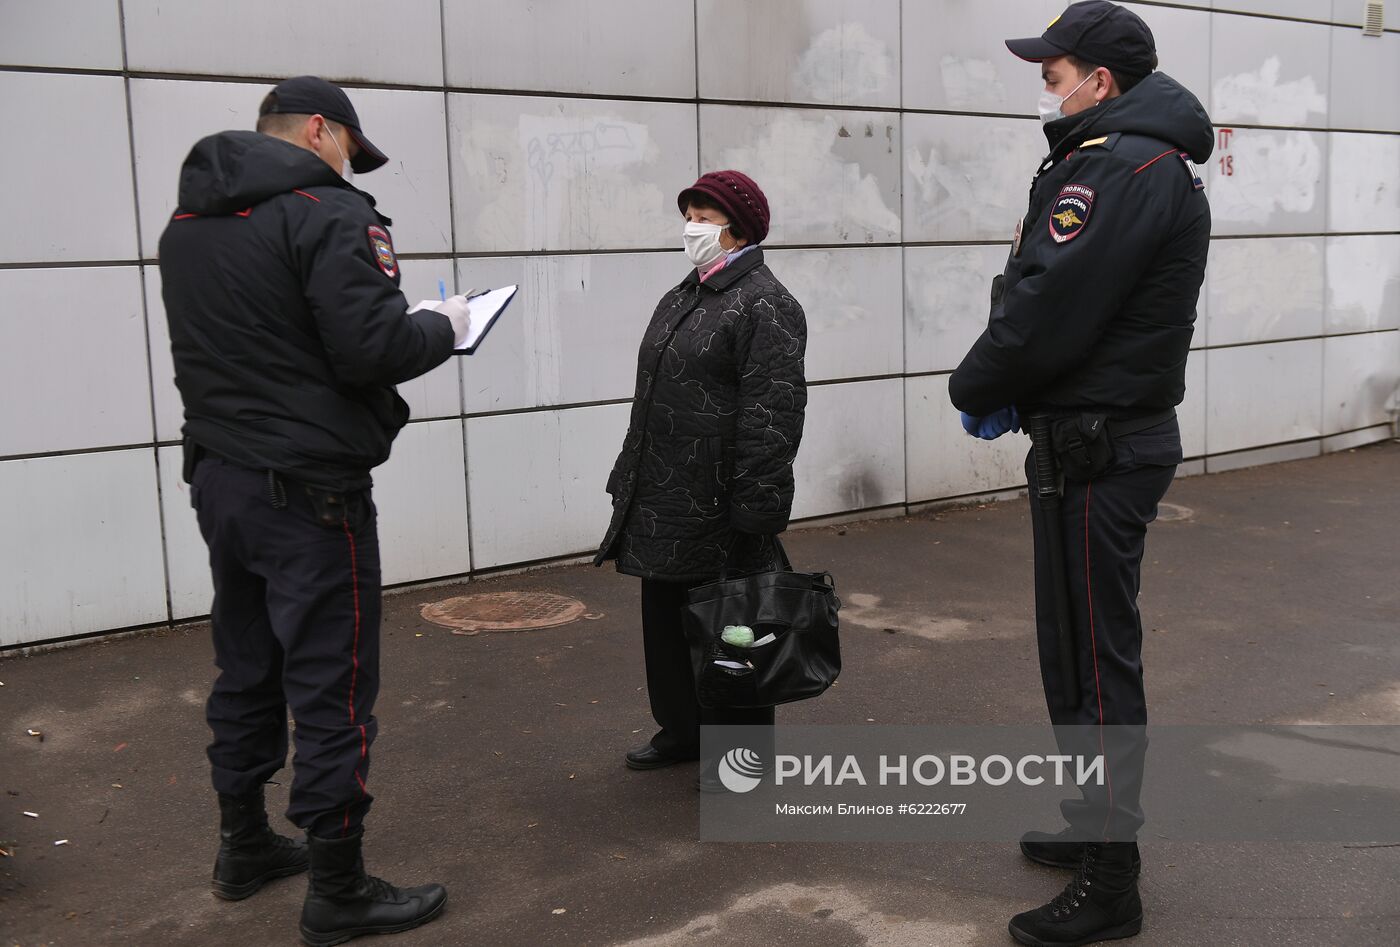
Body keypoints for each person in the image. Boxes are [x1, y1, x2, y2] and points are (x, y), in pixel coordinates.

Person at [159, 75, 477, 946]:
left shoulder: (187, 227)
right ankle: (338, 888)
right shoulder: (330, 214)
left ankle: (243, 844)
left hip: (221, 479)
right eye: (347, 145)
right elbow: (370, 346)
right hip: (309, 492)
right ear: (318, 130)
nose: (350, 163)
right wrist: (447, 324)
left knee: (246, 663)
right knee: (332, 684)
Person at [947, 3, 1212, 944]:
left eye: (1055, 70)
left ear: (1101, 80)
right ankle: (1092, 822)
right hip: (1084, 439)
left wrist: (974, 381)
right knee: (1075, 649)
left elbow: (1049, 304)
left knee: (1096, 666)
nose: (1045, 84)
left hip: (1101, 446)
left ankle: (1113, 877)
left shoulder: (1118, 167)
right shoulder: (1122, 158)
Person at [594, 171, 807, 790]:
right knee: (665, 619)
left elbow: (774, 412)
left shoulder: (767, 303)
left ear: (739, 228)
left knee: (733, 627)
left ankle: (741, 757)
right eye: (687, 213)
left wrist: (758, 507)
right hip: (664, 492)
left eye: (704, 214)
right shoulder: (685, 294)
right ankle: (682, 729)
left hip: (722, 499)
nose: (691, 226)